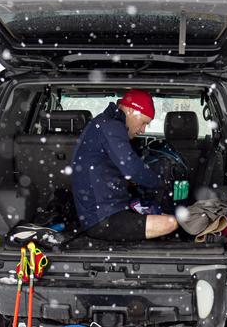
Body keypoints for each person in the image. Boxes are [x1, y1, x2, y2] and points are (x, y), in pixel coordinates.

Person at [70, 90, 179, 241]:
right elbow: (132, 168)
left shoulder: (104, 123)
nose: (143, 130)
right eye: (144, 123)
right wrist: (161, 182)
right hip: (102, 219)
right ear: (129, 109)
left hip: (104, 211)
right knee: (171, 223)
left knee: (160, 214)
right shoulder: (111, 127)